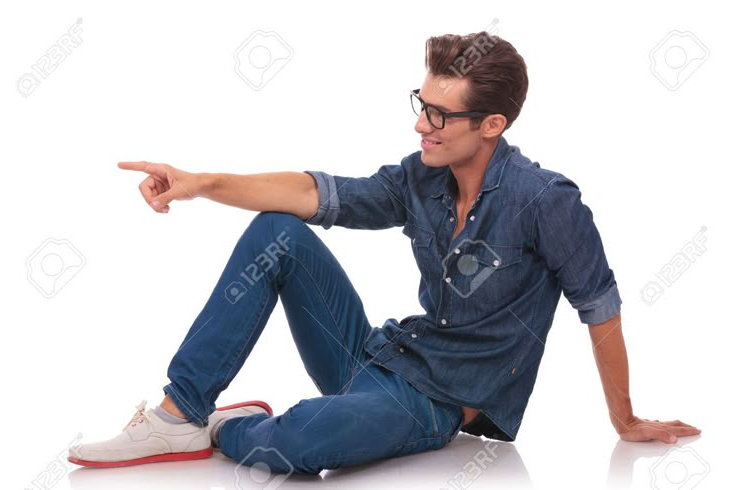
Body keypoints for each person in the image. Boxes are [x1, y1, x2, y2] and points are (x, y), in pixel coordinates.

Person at [69, 31, 700, 474]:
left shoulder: (545, 202)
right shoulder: (421, 177)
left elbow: (601, 309)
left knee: (297, 446)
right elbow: (315, 192)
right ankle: (181, 412)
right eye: (420, 105)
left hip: (432, 404)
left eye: (438, 115)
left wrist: (626, 420)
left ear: (492, 125)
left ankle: (224, 428)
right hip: (378, 355)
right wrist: (202, 183)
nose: (420, 125)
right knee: (277, 232)